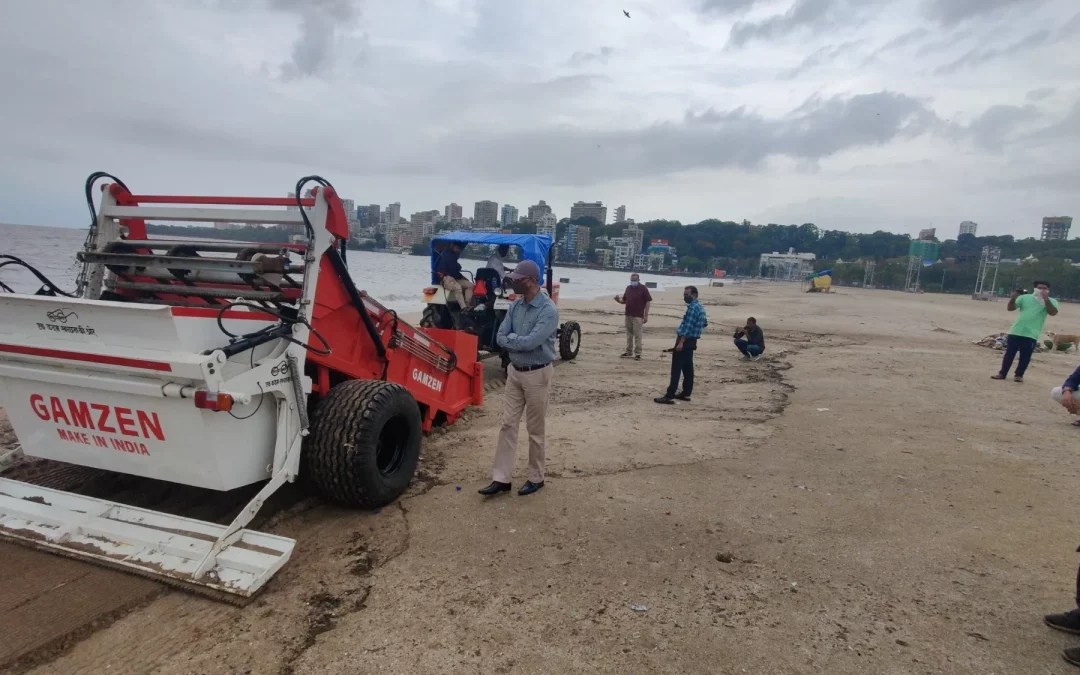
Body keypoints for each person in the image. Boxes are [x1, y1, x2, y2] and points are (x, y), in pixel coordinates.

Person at [478, 260, 559, 497]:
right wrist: (515, 342)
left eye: (518, 279)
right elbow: (500, 335)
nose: (513, 282)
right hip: (514, 372)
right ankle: (501, 479)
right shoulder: (515, 306)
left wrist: (513, 341)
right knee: (507, 425)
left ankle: (536, 477)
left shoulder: (548, 310)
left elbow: (531, 342)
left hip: (537, 374)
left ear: (532, 280)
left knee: (535, 429)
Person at [992, 280, 1059, 383]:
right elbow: (1010, 308)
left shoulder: (1052, 301)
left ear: (1048, 290)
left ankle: (1019, 375)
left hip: (1032, 333)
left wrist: (1046, 299)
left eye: (1045, 288)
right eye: (1040, 288)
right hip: (1016, 330)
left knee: (1025, 356)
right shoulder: (1025, 298)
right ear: (1035, 288)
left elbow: (1053, 312)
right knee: (1009, 354)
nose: (1042, 290)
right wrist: (1013, 298)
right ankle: (1002, 373)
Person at [655, 286, 707, 405]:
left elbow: (688, 327)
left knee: (676, 368)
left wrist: (681, 342)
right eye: (684, 294)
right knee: (688, 368)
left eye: (687, 295)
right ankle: (686, 393)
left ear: (694, 294)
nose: (685, 297)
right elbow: (704, 323)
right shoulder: (700, 307)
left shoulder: (693, 308)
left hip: (685, 340)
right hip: (692, 340)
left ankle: (669, 395)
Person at [614, 273, 652, 360]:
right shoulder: (628, 288)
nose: (633, 281)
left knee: (638, 335)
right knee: (629, 334)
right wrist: (618, 300)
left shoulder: (643, 288)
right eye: (632, 280)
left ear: (638, 280)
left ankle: (638, 353)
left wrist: (646, 315)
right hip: (628, 314)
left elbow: (648, 301)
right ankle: (629, 351)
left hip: (638, 315)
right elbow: (624, 301)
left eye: (635, 280)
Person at [436, 242, 474, 312]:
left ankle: (467, 304)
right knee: (458, 288)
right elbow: (453, 269)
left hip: (455, 278)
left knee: (471, 285)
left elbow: (456, 269)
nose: (458, 249)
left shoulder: (454, 256)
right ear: (452, 246)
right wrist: (460, 274)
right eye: (457, 247)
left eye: (459, 248)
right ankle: (463, 308)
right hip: (446, 278)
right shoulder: (447, 255)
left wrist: (461, 276)